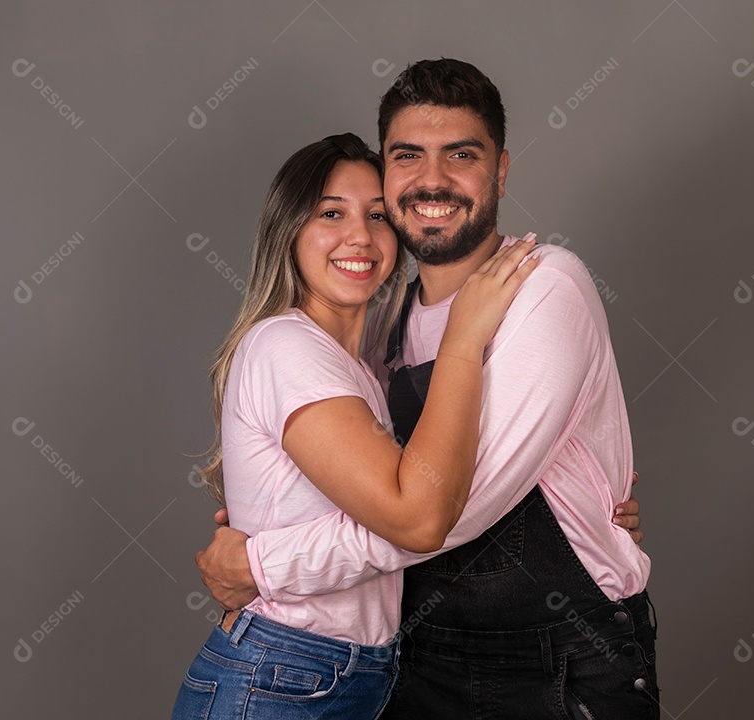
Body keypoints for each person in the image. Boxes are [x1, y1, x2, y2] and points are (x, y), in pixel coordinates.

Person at [195, 59, 659, 719]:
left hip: (554, 662)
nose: (432, 180)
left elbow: (437, 514)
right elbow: (390, 492)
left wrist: (263, 562)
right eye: (408, 156)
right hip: (414, 661)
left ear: (499, 170)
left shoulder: (543, 287)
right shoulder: (383, 322)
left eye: (460, 155)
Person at [171, 131, 541, 720]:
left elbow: (431, 496)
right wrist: (465, 336)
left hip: (344, 675)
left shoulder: (363, 369)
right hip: (283, 675)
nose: (361, 238)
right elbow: (417, 516)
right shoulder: (286, 346)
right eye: (331, 214)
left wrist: (580, 514)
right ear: (288, 231)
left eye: (377, 216)